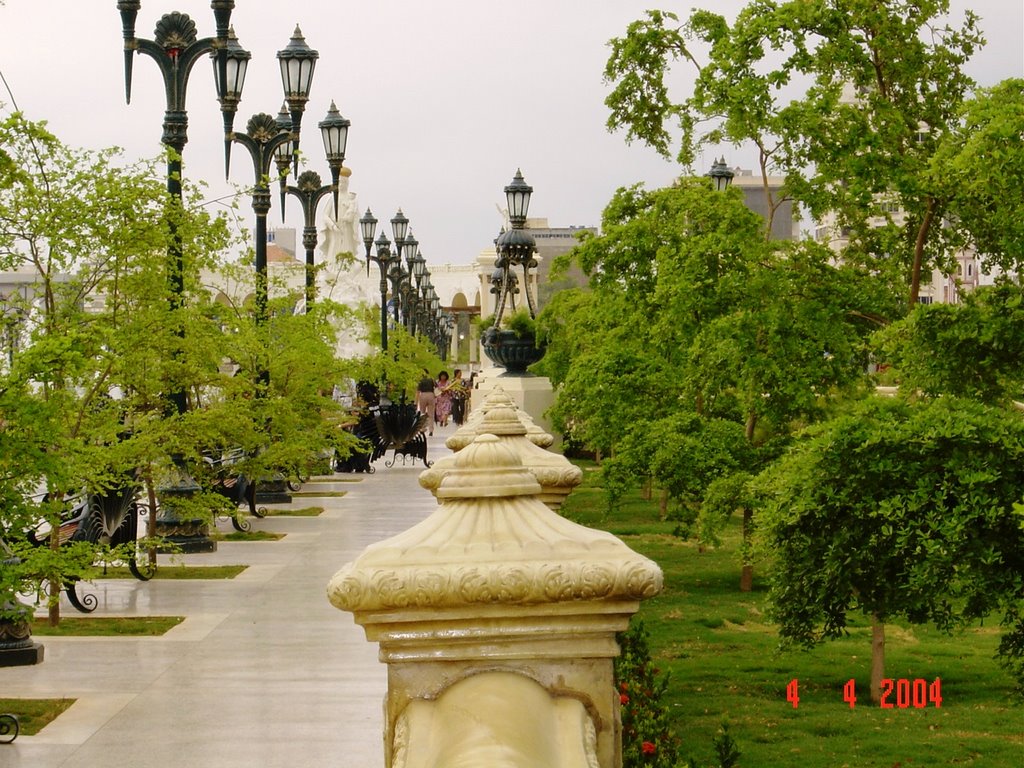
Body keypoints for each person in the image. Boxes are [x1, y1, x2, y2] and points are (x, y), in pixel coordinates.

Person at [416, 369, 436, 435]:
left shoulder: (420, 381)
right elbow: (436, 387)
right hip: (431, 395)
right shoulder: (431, 379)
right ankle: (431, 429)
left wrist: (416, 401)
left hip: (423, 395)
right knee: (431, 414)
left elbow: (418, 391)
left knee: (422, 412)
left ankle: (422, 428)